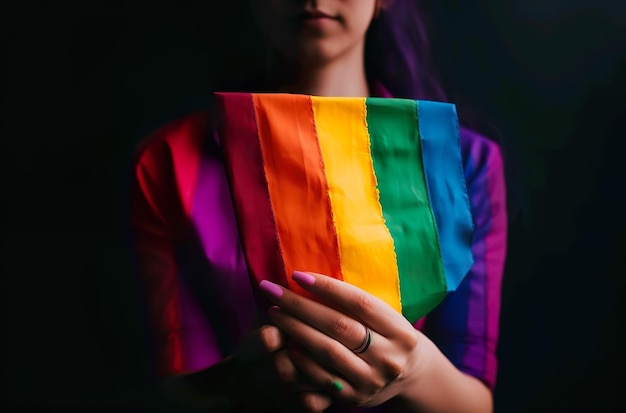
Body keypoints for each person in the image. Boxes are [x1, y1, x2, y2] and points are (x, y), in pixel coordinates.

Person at [130, 0, 507, 412]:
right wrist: (241, 381)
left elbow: (474, 402)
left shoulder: (466, 164)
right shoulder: (169, 162)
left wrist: (417, 371)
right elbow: (173, 387)